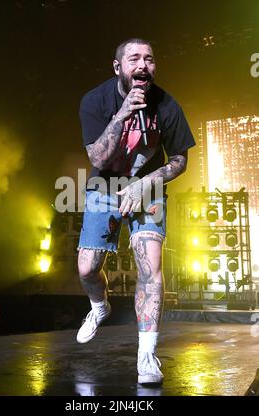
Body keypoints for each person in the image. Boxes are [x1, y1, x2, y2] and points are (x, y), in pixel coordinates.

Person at [77, 38, 196, 385]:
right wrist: (123, 113)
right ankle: (100, 306)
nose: (143, 65)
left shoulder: (168, 105)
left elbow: (179, 160)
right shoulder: (95, 101)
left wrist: (148, 183)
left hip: (148, 187)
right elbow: (98, 158)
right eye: (134, 59)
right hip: (105, 187)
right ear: (119, 68)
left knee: (151, 267)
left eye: (150, 59)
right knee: (86, 268)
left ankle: (147, 354)